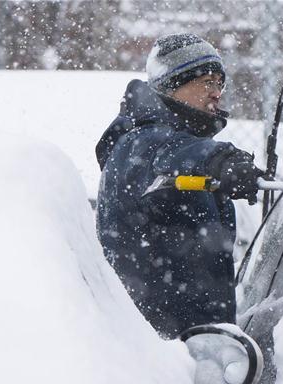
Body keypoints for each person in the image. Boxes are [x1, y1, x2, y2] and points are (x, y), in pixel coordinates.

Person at [96, 33, 263, 339]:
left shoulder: (170, 141)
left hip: (191, 346)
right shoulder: (142, 142)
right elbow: (173, 155)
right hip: (160, 351)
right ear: (172, 85)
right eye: (206, 82)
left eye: (219, 84)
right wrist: (221, 161)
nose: (217, 93)